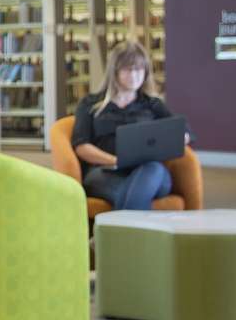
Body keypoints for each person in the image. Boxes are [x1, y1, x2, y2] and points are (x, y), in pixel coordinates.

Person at [71, 41, 189, 211]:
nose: (134, 75)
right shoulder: (90, 104)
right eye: (127, 69)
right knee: (132, 193)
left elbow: (181, 130)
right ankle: (131, 235)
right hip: (105, 171)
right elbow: (81, 146)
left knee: (152, 170)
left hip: (150, 171)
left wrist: (181, 137)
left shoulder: (152, 104)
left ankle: (112, 235)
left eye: (139, 69)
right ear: (114, 72)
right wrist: (115, 161)